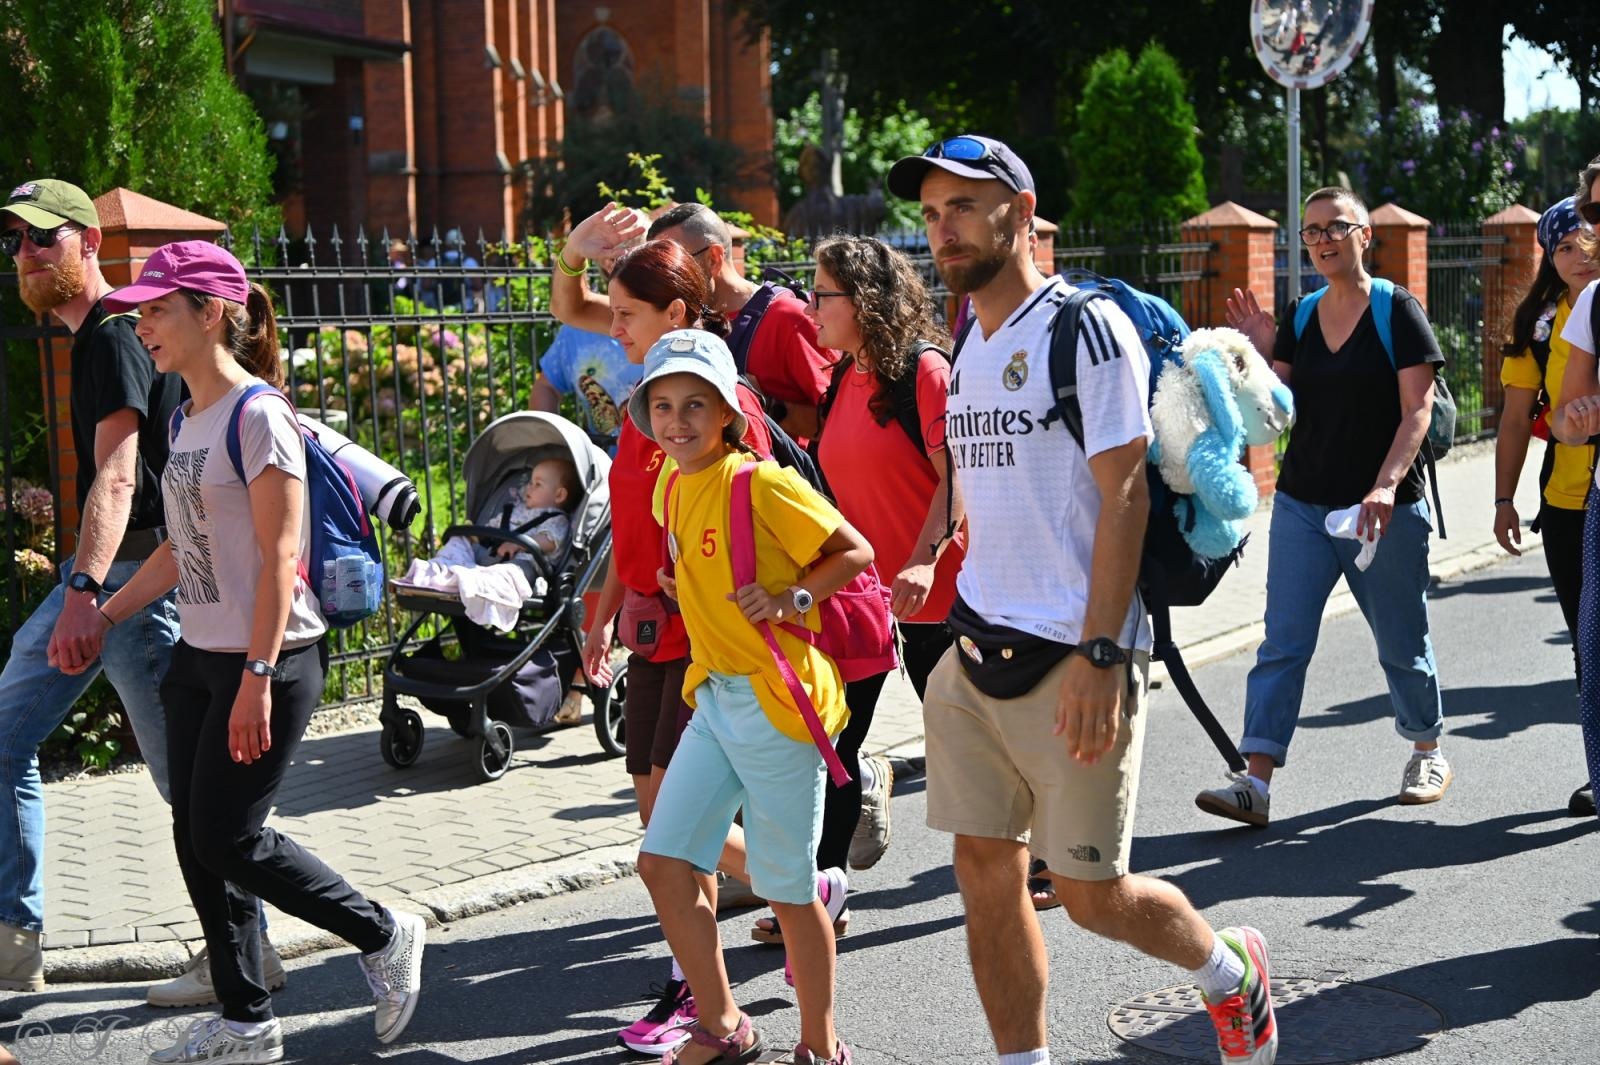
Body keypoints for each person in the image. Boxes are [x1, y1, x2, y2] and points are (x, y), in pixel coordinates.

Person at [888, 135, 1280, 1065]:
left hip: (1078, 656)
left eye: (964, 208)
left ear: (1020, 214)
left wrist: (1105, 653)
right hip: (975, 652)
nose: (943, 229)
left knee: (1091, 894)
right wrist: (930, 554)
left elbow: (1126, 493)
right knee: (984, 873)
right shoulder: (968, 343)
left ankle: (1230, 972)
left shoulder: (1083, 327)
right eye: (932, 212)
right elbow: (977, 483)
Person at [71, 241, 425, 1062]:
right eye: (140, 310)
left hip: (270, 658)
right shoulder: (184, 418)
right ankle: (245, 1019)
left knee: (229, 835)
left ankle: (382, 931)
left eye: (159, 309)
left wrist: (257, 677)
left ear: (211, 312)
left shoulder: (258, 414)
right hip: (199, 657)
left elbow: (278, 556)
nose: (143, 324)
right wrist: (106, 614)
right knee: (196, 837)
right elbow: (181, 547)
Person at [556, 236, 797, 1055]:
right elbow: (640, 530)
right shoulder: (649, 408)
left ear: (677, 316)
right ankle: (796, 887)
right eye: (613, 312)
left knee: (668, 837)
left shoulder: (721, 414)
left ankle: (701, 995)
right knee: (664, 830)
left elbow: (754, 522)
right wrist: (602, 617)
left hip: (705, 646)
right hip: (651, 635)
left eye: (626, 315)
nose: (611, 327)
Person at [631, 329, 871, 1065]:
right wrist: (683, 584)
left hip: (779, 706)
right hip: (716, 697)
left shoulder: (759, 480)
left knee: (788, 891)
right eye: (664, 405)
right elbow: (696, 557)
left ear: (729, 413)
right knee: (663, 861)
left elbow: (853, 551)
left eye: (695, 404)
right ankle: (723, 1022)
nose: (678, 421)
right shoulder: (671, 481)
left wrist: (789, 594)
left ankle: (821, 1045)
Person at [1197, 186, 1449, 827]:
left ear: (1366, 235)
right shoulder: (1301, 315)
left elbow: (1417, 410)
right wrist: (1258, 354)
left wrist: (1386, 486)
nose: (1323, 240)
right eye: (1311, 231)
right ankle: (1255, 780)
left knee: (1400, 639)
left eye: (1336, 227)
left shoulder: (1398, 310)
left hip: (1380, 510)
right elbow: (1276, 407)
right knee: (1282, 643)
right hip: (1305, 504)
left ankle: (1425, 746)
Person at [744, 236, 962, 952]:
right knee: (830, 742)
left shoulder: (923, 373)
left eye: (822, 295)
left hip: (942, 602)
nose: (810, 308)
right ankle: (822, 892)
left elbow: (958, 477)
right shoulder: (842, 379)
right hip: (864, 602)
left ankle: (1043, 852)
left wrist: (927, 561)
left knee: (974, 745)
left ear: (863, 300)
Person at [0, 179, 187, 994]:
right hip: (111, 573)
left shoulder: (113, 333)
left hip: (137, 581)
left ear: (90, 243)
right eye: (15, 242)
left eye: (44, 237)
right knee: (5, 735)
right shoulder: (98, 338)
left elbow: (116, 476)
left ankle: (243, 951)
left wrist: (83, 593)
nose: (27, 253)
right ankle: (14, 941)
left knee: (186, 780)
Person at [552, 202, 833, 441]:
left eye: (676, 258)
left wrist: (758, 403)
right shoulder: (669, 315)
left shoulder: (787, 317)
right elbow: (573, 309)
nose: (666, 270)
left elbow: (834, 420)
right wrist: (573, 251)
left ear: (713, 258)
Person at [1494, 196, 1597, 818]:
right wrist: (1504, 499)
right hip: (1567, 502)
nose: (1577, 255)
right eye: (1561, 247)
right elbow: (1512, 420)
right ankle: (1598, 768)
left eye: (1585, 240)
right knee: (1589, 642)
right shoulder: (1537, 325)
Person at [1544, 152, 1600, 823]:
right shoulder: (1591, 302)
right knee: (1594, 654)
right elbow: (1566, 419)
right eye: (1594, 211)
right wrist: (1579, 421)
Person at [492, 457, 579, 561]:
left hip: (523, 563)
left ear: (559, 495)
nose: (529, 487)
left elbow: (549, 541)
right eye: (530, 482)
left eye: (538, 484)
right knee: (467, 544)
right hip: (491, 555)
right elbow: (492, 526)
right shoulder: (516, 509)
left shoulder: (556, 519)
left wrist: (517, 544)